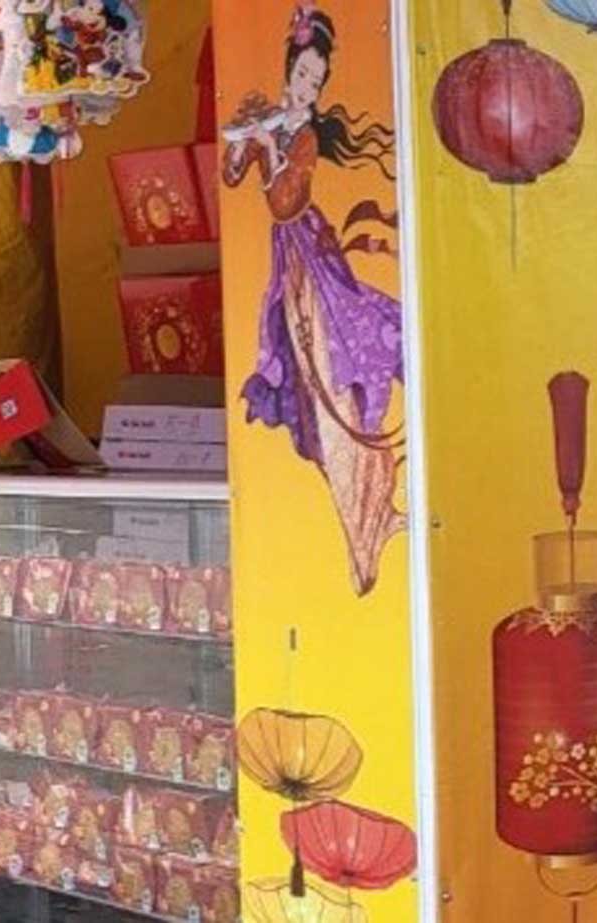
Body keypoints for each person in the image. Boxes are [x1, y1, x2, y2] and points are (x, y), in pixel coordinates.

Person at [222, 3, 403, 596]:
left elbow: (283, 199)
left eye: (316, 81)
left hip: (310, 254)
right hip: (288, 261)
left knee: (335, 380)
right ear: (287, 71)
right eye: (302, 76)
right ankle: (358, 520)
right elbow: (229, 176)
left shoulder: (303, 136)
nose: (307, 88)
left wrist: (268, 147)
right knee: (306, 383)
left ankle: (367, 516)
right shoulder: (276, 123)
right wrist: (243, 137)